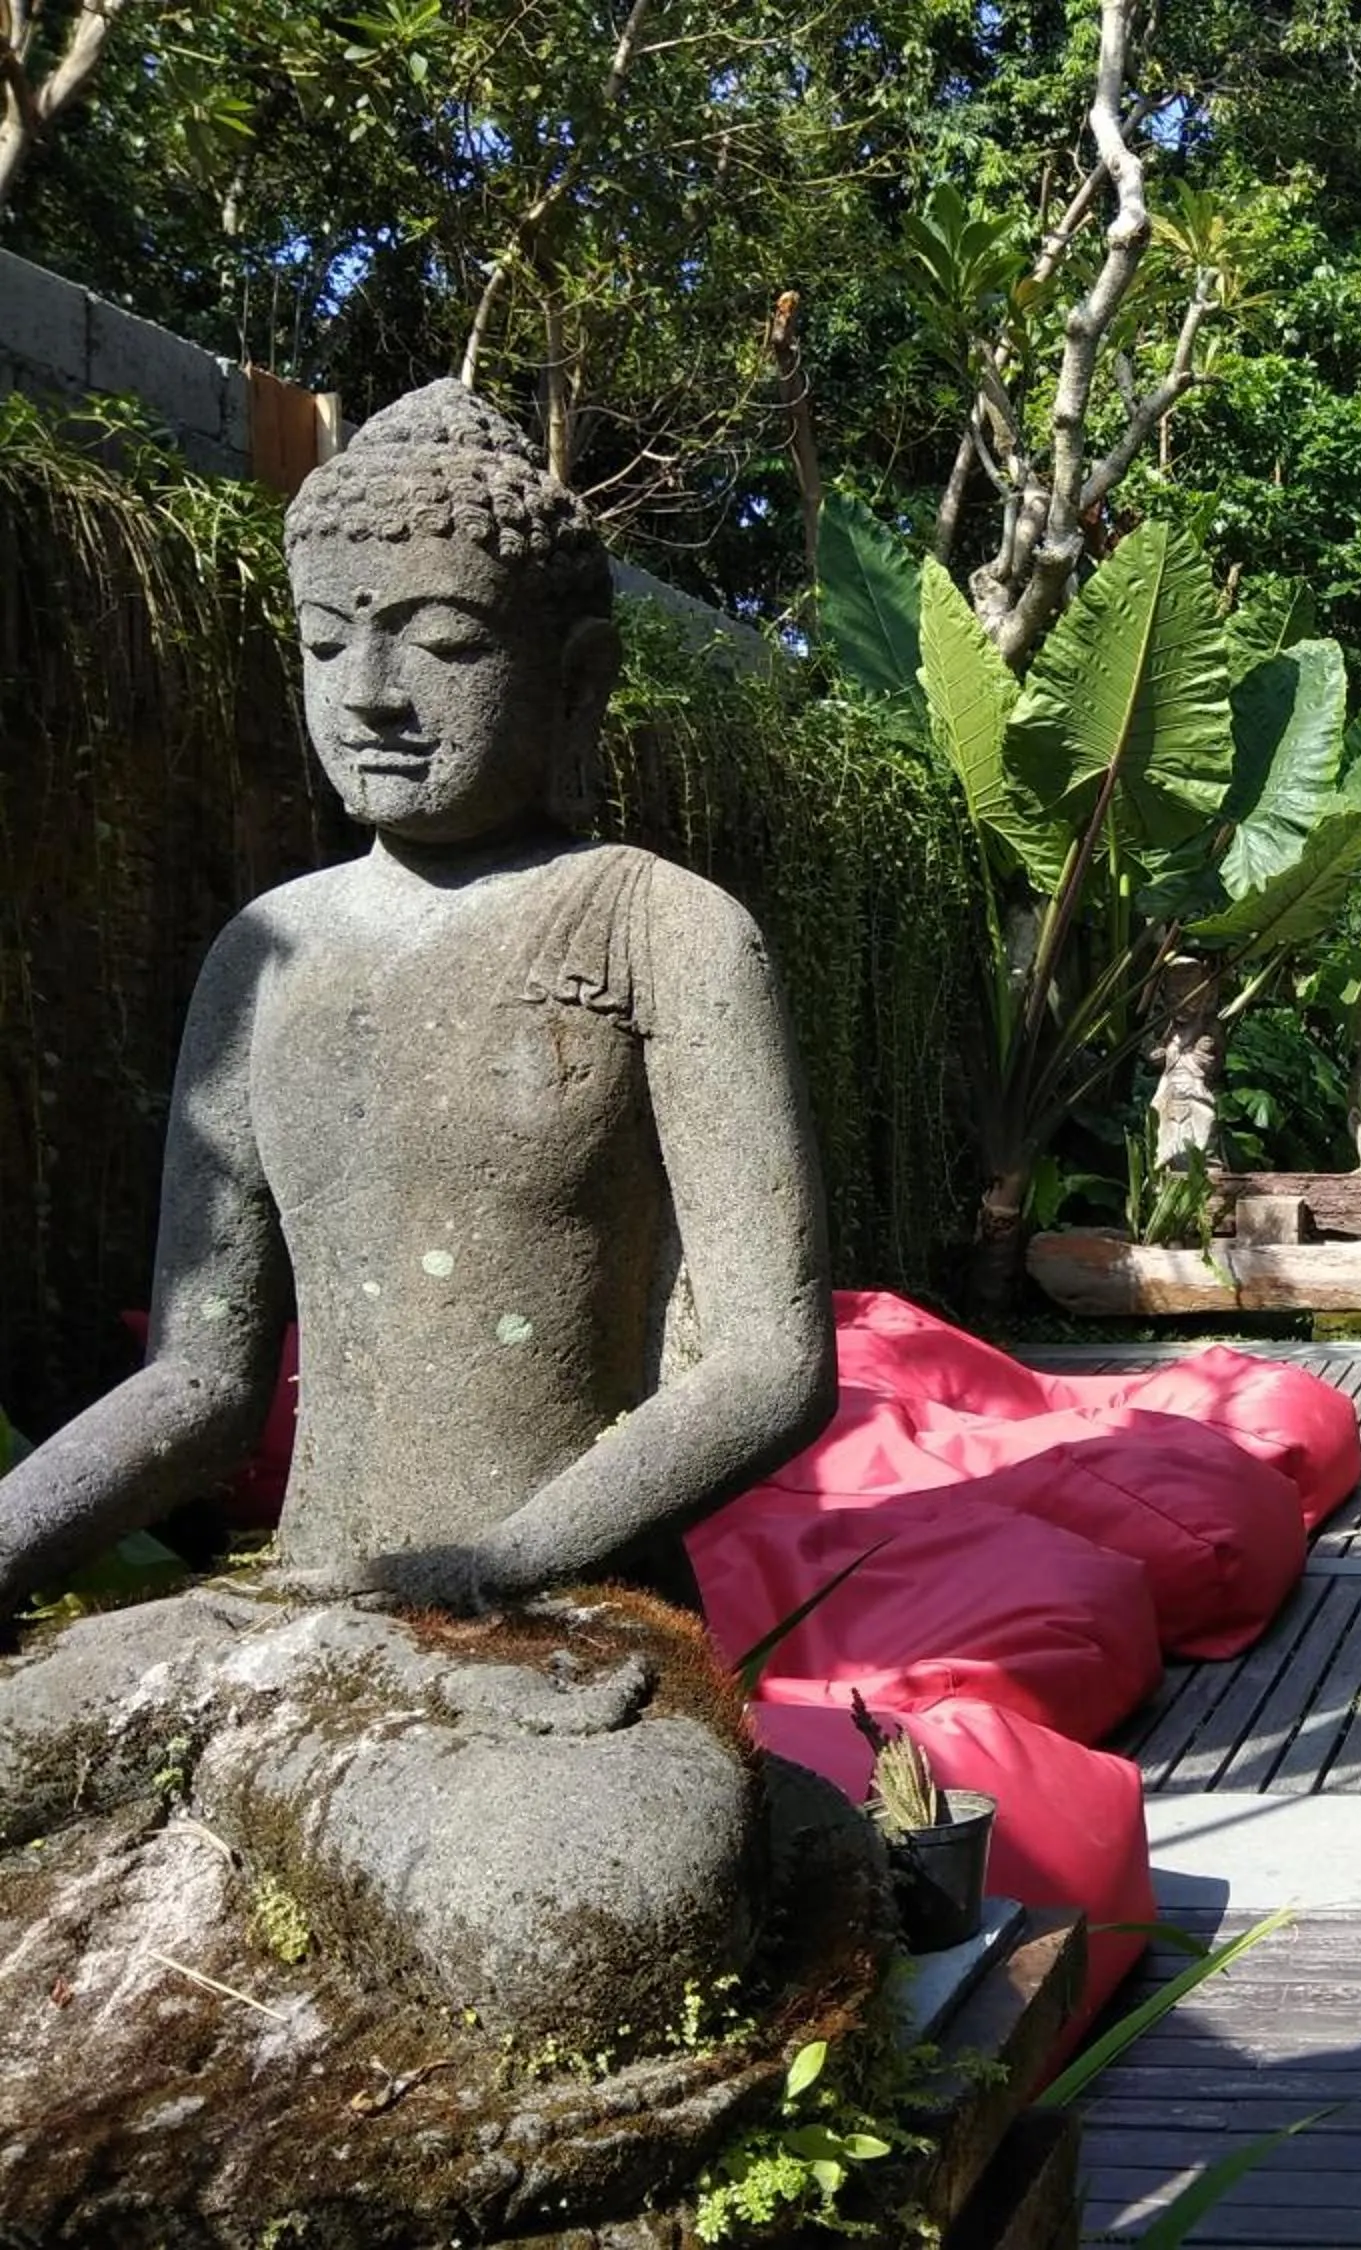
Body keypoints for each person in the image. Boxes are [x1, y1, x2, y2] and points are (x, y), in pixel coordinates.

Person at [0, 380, 834, 1615]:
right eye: (327, 643)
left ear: (576, 678)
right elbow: (200, 1381)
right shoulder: (267, 949)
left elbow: (771, 1367)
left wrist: (491, 1570)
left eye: (445, 646)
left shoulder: (661, 928)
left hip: (567, 1614)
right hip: (309, 1604)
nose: (372, 693)